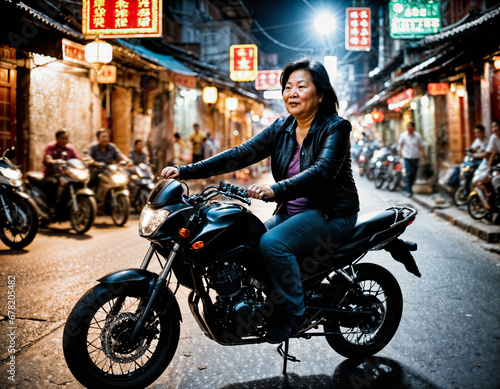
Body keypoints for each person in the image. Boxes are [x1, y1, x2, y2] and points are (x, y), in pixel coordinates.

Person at [161, 57, 359, 343]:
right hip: (292, 213)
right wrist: (186, 171)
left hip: (331, 213)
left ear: (321, 94)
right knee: (248, 243)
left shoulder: (336, 128)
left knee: (273, 244)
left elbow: (323, 171)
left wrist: (275, 190)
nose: (292, 93)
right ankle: (267, 301)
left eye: (301, 86)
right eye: (288, 87)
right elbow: (240, 154)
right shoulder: (282, 128)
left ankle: (293, 314)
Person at [42, 129, 80, 213]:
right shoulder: (51, 146)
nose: (64, 141)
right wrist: (52, 161)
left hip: (66, 174)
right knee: (52, 183)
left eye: (66, 138)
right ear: (57, 139)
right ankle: (51, 206)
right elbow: (48, 157)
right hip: (52, 173)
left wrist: (84, 161)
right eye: (62, 138)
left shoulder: (70, 148)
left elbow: (77, 158)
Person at [398, 121, 425, 197]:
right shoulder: (403, 135)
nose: (408, 128)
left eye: (410, 126)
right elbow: (400, 145)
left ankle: (409, 187)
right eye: (407, 126)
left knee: (414, 174)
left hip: (416, 157)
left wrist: (423, 155)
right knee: (409, 173)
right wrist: (400, 153)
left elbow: (421, 146)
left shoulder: (418, 136)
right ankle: (408, 191)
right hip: (407, 157)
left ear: (414, 127)